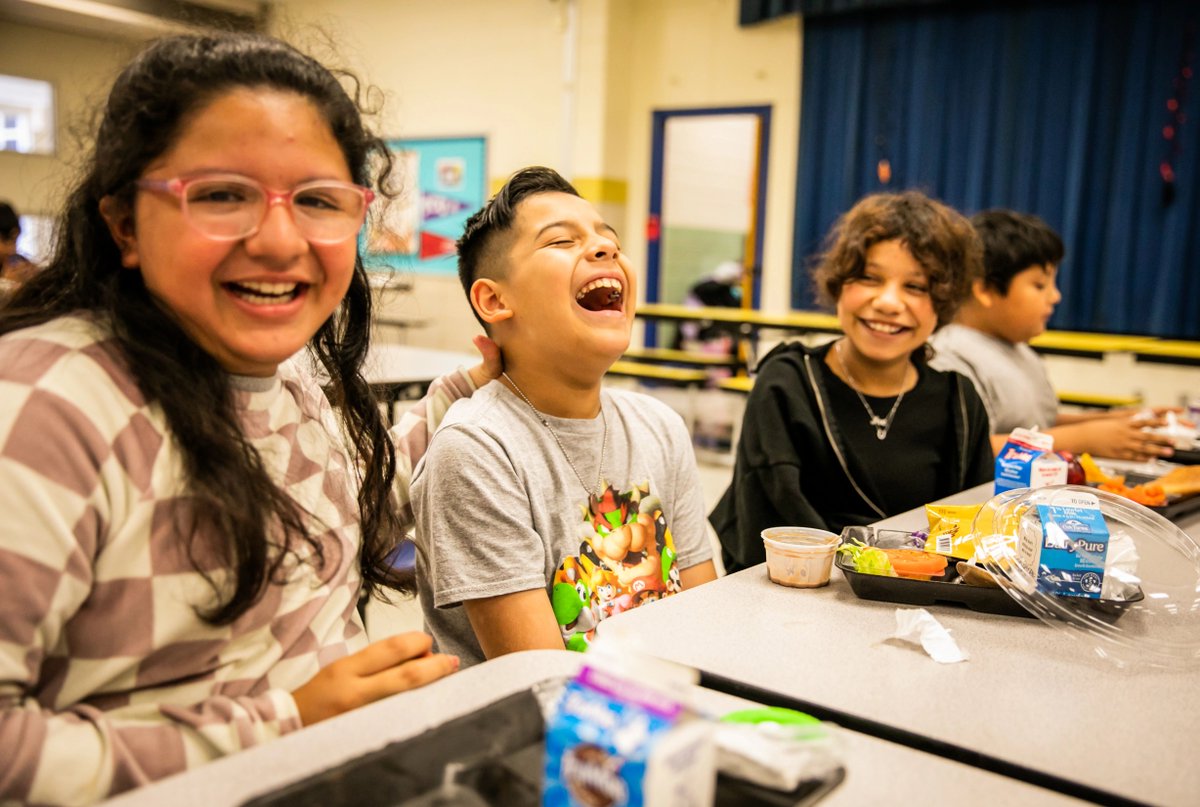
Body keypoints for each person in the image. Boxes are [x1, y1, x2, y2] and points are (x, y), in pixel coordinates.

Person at [0, 33, 501, 804]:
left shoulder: (290, 371)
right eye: (221, 194)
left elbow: (346, 511)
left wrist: (473, 386)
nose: (277, 239)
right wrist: (285, 722)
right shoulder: (47, 405)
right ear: (124, 223)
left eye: (317, 200)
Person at [411, 167, 718, 667]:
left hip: (670, 713)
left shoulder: (659, 426)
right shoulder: (476, 449)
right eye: (560, 241)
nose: (605, 250)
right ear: (494, 299)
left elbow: (704, 621)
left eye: (608, 239)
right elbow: (541, 679)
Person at [710, 191, 994, 573]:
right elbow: (768, 531)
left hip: (923, 606)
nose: (889, 302)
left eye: (915, 286)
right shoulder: (787, 386)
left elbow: (972, 533)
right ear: (839, 284)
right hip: (798, 599)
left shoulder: (958, 401)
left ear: (941, 303)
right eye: (869, 278)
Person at [929, 209, 1176, 461]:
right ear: (984, 289)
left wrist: (1117, 422)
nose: (1055, 296)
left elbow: (1032, 423)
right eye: (1039, 285)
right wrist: (1084, 438)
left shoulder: (1019, 350)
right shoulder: (951, 355)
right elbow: (970, 450)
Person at [0, 200, 39, 300]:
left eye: (14, 241)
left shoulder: (17, 262)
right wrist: (8, 285)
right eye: (6, 240)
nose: (12, 250)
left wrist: (36, 282)